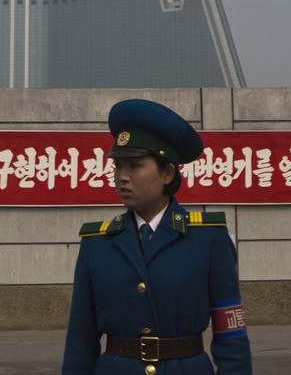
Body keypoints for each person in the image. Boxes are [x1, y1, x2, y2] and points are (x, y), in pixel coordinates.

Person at [63, 98, 252, 375]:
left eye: (135, 166)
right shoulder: (97, 243)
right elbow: (81, 339)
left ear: (167, 173)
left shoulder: (208, 239)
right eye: (118, 166)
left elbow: (230, 333)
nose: (122, 177)